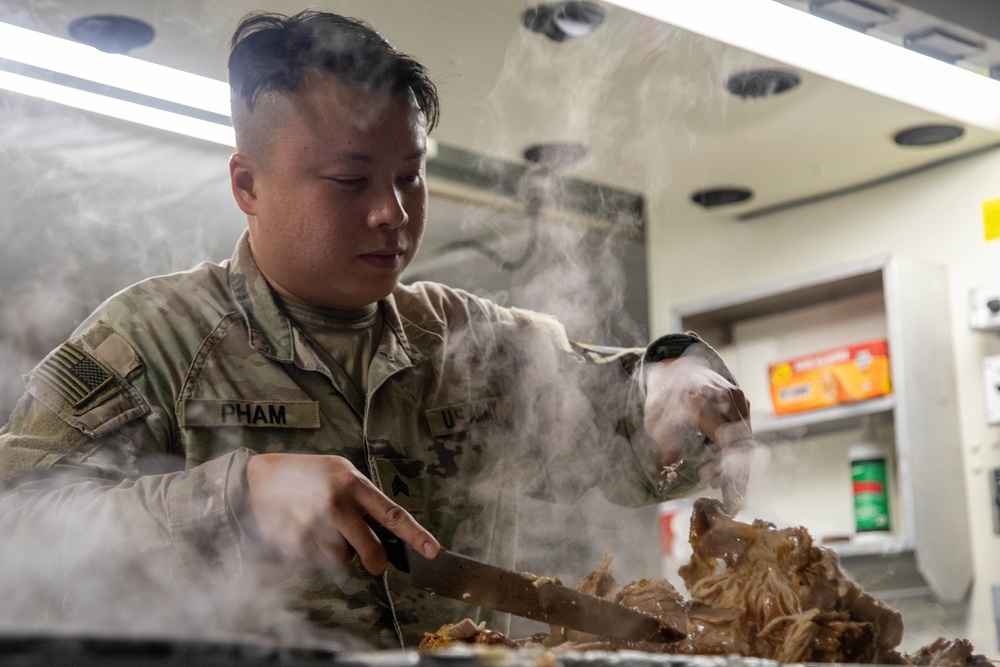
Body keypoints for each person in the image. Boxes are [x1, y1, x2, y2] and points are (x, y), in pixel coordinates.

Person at [0, 10, 753, 649]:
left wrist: (673, 388)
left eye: (409, 174)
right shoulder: (152, 343)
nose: (391, 210)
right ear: (247, 185)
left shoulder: (463, 338)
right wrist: (234, 495)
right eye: (350, 179)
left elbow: (613, 408)